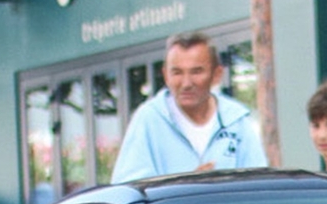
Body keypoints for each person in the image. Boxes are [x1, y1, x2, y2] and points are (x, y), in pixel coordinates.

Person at [111, 32, 268, 180]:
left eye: (196, 72)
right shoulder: (148, 119)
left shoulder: (236, 120)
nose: (186, 83)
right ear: (166, 75)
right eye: (177, 73)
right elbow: (127, 188)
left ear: (217, 75)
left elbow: (259, 183)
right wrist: (186, 186)